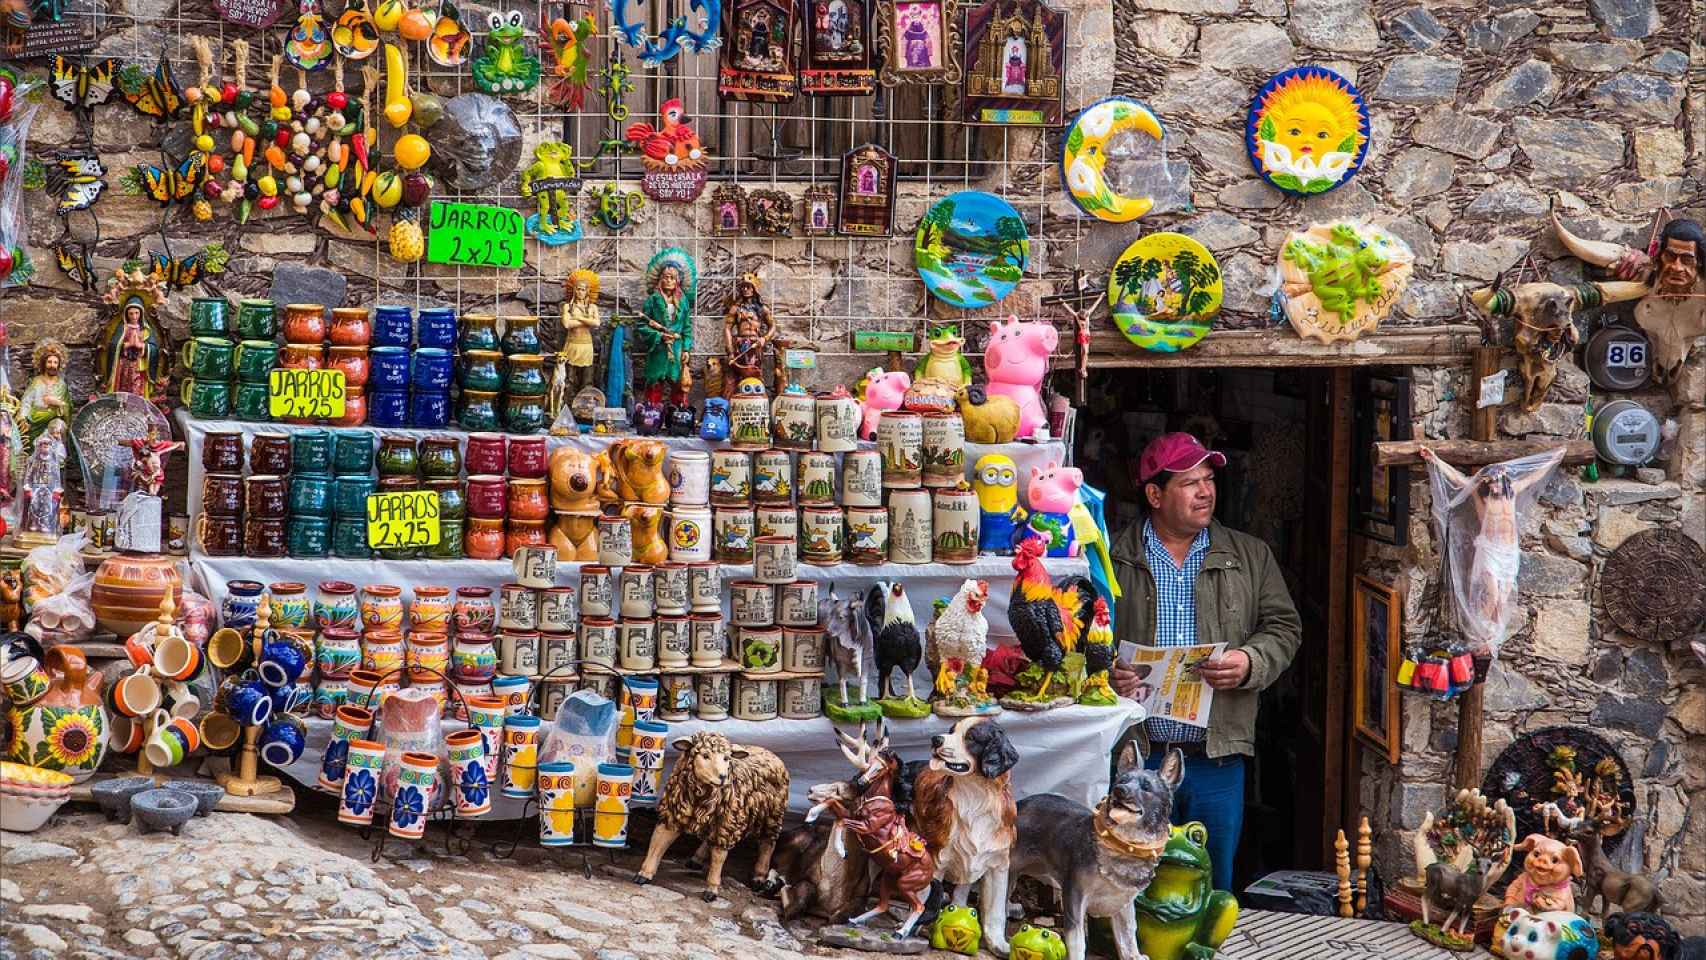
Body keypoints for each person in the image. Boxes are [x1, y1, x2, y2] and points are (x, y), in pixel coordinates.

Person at [1109, 432, 1301, 892]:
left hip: (1215, 759)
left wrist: (1249, 661)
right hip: (1137, 756)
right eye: (1189, 482)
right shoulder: (1113, 557)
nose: (1205, 492)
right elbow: (1080, 639)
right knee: (1128, 881)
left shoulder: (1249, 556)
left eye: (1209, 479)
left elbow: (1284, 627)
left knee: (1210, 885)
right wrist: (1106, 676)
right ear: (1154, 494)